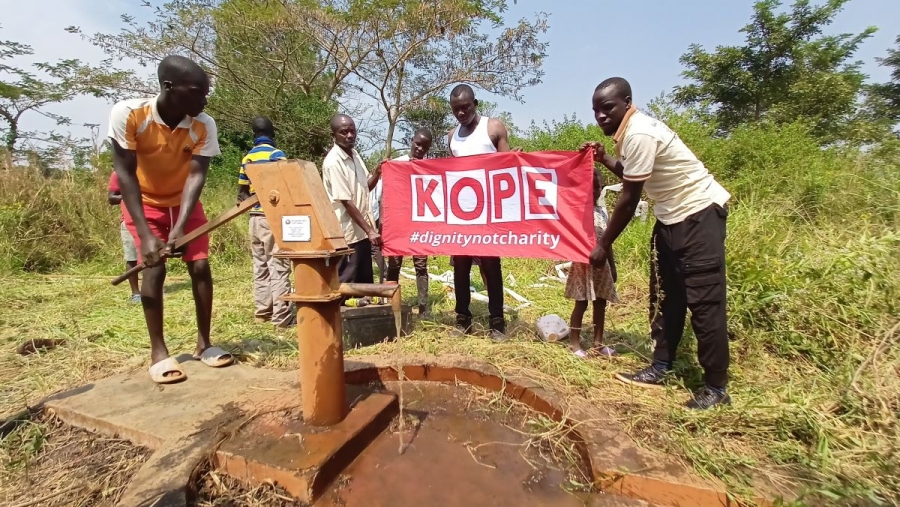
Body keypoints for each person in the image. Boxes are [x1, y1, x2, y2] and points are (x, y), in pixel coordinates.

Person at [581, 77, 732, 410]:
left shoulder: (639, 133)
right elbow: (633, 174)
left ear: (627, 102)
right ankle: (661, 365)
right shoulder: (628, 135)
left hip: (698, 214)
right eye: (596, 111)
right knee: (665, 295)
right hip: (669, 218)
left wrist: (603, 244)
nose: (601, 117)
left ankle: (716, 387)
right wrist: (605, 159)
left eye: (607, 108)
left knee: (704, 301)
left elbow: (629, 197)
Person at [109, 54, 233, 385]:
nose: (203, 100)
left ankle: (204, 344)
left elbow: (196, 177)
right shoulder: (129, 114)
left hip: (185, 205)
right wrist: (148, 235)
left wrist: (180, 228)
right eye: (197, 92)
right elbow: (125, 173)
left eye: (206, 92)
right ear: (168, 87)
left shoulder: (203, 124)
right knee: (154, 269)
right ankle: (159, 352)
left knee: (201, 266)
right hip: (144, 203)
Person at [446, 84, 512, 341]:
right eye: (455, 110)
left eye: (465, 107)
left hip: (488, 215)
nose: (461, 113)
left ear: (476, 103)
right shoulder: (452, 136)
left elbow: (508, 169)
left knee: (491, 265)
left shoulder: (493, 127)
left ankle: (497, 321)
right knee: (460, 268)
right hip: (461, 215)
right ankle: (463, 319)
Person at [238, 116, 294, 328]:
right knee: (278, 265)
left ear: (254, 135)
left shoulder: (247, 159)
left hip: (254, 219)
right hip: (273, 218)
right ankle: (281, 317)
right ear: (273, 134)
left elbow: (242, 193)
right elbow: (287, 185)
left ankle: (263, 311)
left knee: (260, 265)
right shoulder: (276, 155)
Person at [322, 114, 383, 294]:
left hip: (362, 232)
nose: (350, 135)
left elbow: (365, 188)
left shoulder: (355, 155)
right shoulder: (333, 162)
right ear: (334, 135)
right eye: (344, 132)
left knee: (365, 283)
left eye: (352, 131)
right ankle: (341, 318)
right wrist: (370, 230)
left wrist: (378, 173)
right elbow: (346, 201)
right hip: (347, 234)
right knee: (347, 282)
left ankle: (365, 318)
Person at [565, 170, 618, 358]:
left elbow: (607, 242)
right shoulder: (577, 211)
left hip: (601, 267)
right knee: (581, 303)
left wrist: (612, 265)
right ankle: (574, 343)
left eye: (598, 187)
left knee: (600, 303)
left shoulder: (603, 212)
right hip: (582, 266)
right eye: (591, 187)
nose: (595, 190)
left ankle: (598, 343)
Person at [384, 128, 434, 318]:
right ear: (411, 141)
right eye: (418, 143)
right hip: (398, 224)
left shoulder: (430, 168)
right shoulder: (396, 165)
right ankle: (391, 305)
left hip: (420, 224)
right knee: (394, 264)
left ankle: (423, 308)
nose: (420, 148)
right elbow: (386, 197)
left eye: (425, 146)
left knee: (421, 266)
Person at [107, 171, 141, 303]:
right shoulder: (118, 174)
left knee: (154, 256)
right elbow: (111, 198)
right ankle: (136, 294)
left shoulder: (150, 170)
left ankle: (155, 288)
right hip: (129, 221)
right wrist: (132, 196)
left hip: (152, 220)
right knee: (132, 258)